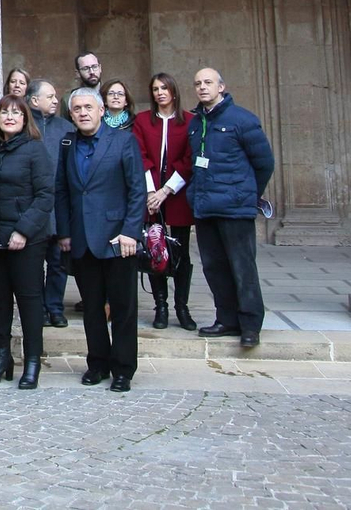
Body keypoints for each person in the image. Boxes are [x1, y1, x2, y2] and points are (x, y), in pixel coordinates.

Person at [54, 87, 146, 392]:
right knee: (92, 307)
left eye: (87, 107)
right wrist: (65, 232)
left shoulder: (123, 140)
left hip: (118, 238)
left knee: (122, 307)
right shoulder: (67, 144)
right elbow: (63, 190)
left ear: (101, 110)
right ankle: (97, 363)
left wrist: (131, 231)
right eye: (76, 108)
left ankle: (123, 369)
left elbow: (137, 191)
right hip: (81, 238)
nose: (82, 112)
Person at [188, 68, 275, 348]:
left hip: (235, 208)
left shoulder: (243, 120)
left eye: (208, 82)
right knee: (214, 267)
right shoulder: (195, 122)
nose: (202, 87)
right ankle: (226, 319)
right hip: (205, 206)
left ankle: (250, 325)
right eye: (198, 83)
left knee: (242, 267)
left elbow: (264, 163)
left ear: (221, 87)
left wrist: (248, 194)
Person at [0, 95, 54, 390]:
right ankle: (2, 357)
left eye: (15, 112)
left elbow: (45, 195)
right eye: (4, 112)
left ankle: (32, 360)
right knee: (0, 300)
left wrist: (23, 231)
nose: (9, 117)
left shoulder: (35, 150)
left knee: (29, 299)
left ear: (25, 118)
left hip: (28, 239)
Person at [132, 72, 197, 330]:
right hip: (150, 196)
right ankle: (161, 306)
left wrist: (166, 190)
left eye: (164, 88)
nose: (160, 93)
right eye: (155, 88)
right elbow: (141, 155)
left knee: (181, 252)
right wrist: (151, 192)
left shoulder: (190, 121)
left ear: (173, 92)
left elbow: (189, 160)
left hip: (177, 194)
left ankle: (182, 306)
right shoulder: (142, 121)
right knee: (154, 248)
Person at [27, 79, 72, 329]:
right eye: (51, 96)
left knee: (58, 261)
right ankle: (39, 308)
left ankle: (55, 306)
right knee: (34, 263)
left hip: (59, 205)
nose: (56, 101)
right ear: (34, 100)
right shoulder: (23, 126)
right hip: (32, 207)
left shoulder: (66, 128)